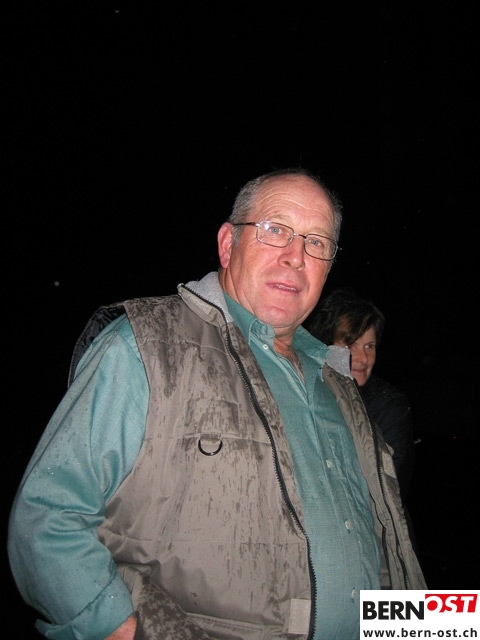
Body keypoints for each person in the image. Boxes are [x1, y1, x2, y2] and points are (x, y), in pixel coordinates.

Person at [8, 168, 426, 640]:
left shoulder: (340, 383)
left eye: (316, 242)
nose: (296, 256)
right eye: (275, 230)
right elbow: (48, 517)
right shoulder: (147, 347)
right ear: (228, 244)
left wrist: (446, 624)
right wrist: (120, 627)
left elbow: (384, 548)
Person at [307, 287, 416, 503]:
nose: (363, 358)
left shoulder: (388, 405)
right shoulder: (306, 393)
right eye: (350, 345)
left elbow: (387, 492)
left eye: (369, 346)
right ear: (325, 346)